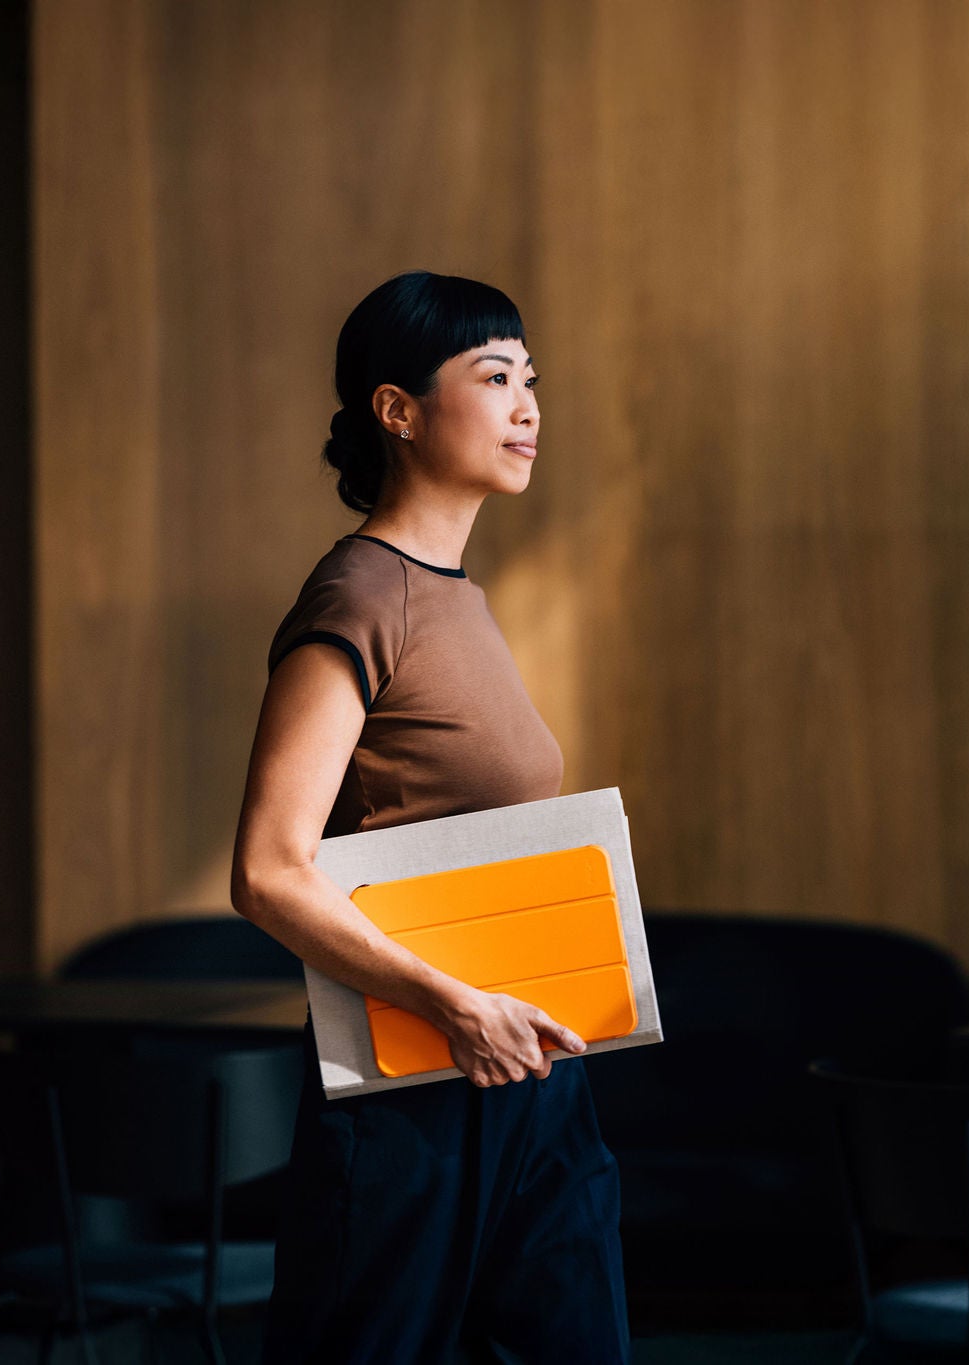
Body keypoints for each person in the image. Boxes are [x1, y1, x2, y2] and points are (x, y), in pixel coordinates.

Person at [230, 270, 631, 1364]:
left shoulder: (455, 596)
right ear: (396, 411)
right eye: (493, 376)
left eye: (531, 380)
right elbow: (267, 871)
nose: (527, 407)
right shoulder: (359, 596)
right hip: (415, 1088)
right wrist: (455, 1008)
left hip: (531, 1074)